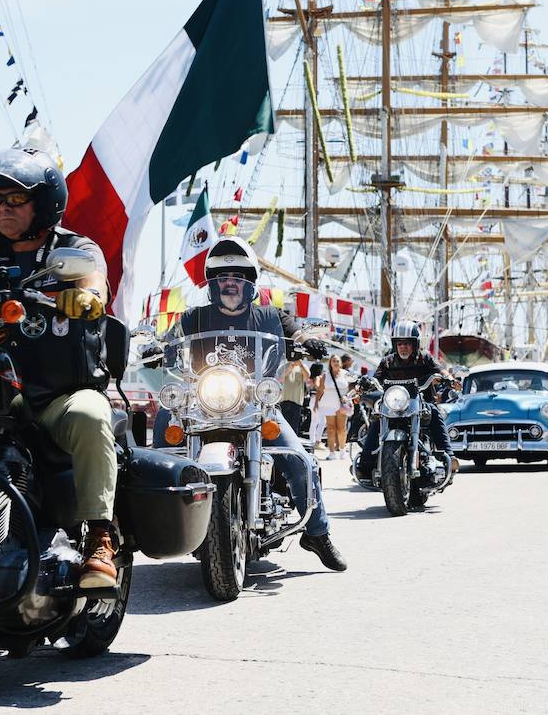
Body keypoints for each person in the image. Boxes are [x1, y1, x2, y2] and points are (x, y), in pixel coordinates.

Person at [0, 148, 124, 588]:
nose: (3, 209)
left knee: (91, 415)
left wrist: (87, 296)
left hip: (57, 396)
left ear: (44, 202)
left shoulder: (74, 249)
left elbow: (94, 281)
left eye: (15, 200)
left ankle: (100, 539)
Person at [167, 236, 346, 571]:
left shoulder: (269, 316)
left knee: (300, 461)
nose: (230, 283)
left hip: (257, 406)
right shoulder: (195, 318)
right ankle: (169, 526)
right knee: (162, 448)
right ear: (213, 283)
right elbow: (171, 337)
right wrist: (153, 345)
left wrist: (307, 340)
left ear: (249, 283)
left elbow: (297, 332)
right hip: (203, 407)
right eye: (223, 277)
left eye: (237, 277)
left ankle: (318, 533)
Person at [357, 321, 457, 481]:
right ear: (395, 344)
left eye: (407, 343)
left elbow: (439, 369)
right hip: (395, 405)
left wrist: (447, 377)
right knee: (377, 418)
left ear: (415, 344)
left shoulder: (424, 358)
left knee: (435, 413)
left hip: (421, 401)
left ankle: (449, 458)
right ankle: (365, 463)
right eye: (400, 343)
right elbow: (376, 378)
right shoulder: (388, 361)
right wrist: (365, 383)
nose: (403, 347)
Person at [315, 354, 352, 459]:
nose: (335, 363)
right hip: (328, 403)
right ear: (330, 363)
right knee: (331, 428)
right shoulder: (326, 375)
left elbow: (352, 388)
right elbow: (320, 390)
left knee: (341, 428)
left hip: (342, 404)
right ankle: (331, 452)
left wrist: (348, 397)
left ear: (340, 363)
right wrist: (316, 403)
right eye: (333, 361)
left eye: (337, 361)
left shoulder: (346, 374)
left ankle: (342, 450)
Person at [279, 354, 309, 438]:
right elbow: (280, 379)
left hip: (297, 400)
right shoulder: (284, 365)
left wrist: (301, 365)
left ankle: (293, 440)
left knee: (294, 425)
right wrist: (289, 368)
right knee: (284, 424)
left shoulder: (303, 366)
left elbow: (307, 378)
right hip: (284, 399)